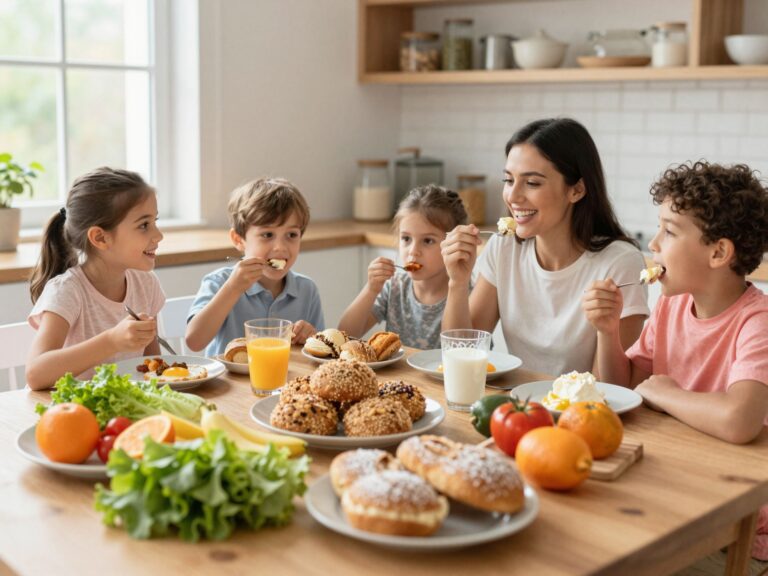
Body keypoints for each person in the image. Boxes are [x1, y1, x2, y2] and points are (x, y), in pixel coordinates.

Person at [582, 161, 768, 569]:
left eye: (669, 231)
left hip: (741, 521)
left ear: (718, 252)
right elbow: (624, 388)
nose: (653, 245)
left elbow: (741, 421)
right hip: (682, 487)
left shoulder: (757, 321)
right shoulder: (671, 303)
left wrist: (668, 394)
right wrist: (607, 332)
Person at [441, 118, 648, 376]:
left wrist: (606, 330)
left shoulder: (619, 263)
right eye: (508, 180)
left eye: (532, 183)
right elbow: (461, 353)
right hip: (517, 407)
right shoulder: (504, 247)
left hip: (578, 413)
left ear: (577, 190)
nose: (513, 196)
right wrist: (457, 283)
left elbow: (612, 391)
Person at [26, 167, 165, 390]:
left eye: (155, 221)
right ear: (100, 237)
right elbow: (35, 374)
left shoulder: (146, 285)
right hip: (68, 415)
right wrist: (112, 341)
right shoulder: (67, 291)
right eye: (144, 225)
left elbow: (153, 369)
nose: (158, 235)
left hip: (121, 413)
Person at [186, 178, 324, 356]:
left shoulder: (307, 290)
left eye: (291, 234)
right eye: (267, 234)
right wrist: (232, 289)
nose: (280, 247)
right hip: (229, 383)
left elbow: (321, 353)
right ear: (238, 240)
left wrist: (310, 337)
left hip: (285, 381)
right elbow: (194, 341)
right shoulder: (220, 282)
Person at [339, 185, 468, 350]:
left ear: (454, 243)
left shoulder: (464, 293)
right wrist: (371, 289)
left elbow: (462, 351)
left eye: (428, 241)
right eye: (406, 239)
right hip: (400, 376)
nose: (413, 251)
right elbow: (344, 335)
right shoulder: (395, 287)